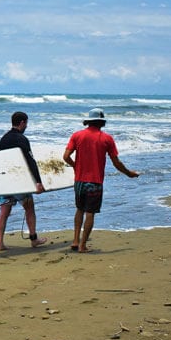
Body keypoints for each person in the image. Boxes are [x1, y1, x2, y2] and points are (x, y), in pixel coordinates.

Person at [62, 108, 139, 253]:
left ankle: (75, 241)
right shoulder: (107, 139)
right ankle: (82, 246)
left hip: (79, 181)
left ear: (88, 121)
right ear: (102, 122)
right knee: (90, 212)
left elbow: (65, 156)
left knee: (79, 209)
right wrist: (129, 173)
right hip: (95, 182)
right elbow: (116, 162)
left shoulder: (77, 135)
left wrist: (76, 167)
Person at [0, 111, 48, 251]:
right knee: (29, 208)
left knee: (4, 212)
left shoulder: (3, 139)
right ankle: (34, 239)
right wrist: (38, 181)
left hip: (4, 180)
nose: (27, 126)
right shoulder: (22, 139)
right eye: (26, 123)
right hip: (19, 180)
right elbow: (30, 161)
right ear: (22, 122)